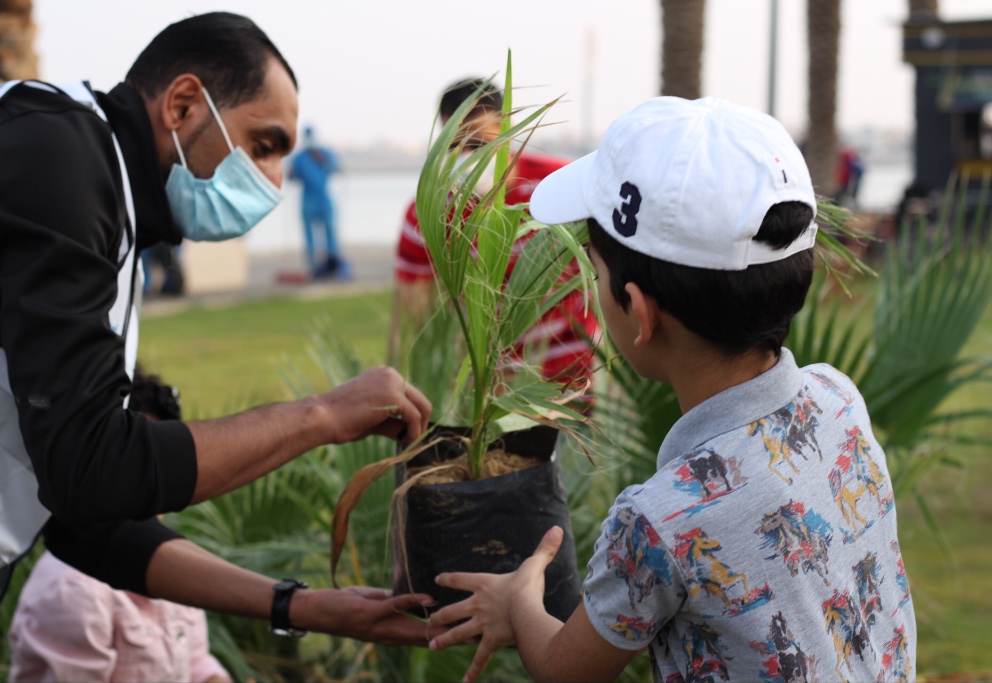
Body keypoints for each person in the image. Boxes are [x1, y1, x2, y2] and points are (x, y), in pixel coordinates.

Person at [426, 97, 917, 682]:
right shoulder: (838, 398)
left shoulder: (660, 521)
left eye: (594, 269)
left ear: (638, 311)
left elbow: (563, 669)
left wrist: (517, 603)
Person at [0, 12, 439, 646]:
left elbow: (82, 515)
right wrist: (322, 416)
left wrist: (302, 606)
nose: (274, 183)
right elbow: (91, 469)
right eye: (263, 145)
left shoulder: (114, 212)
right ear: (182, 105)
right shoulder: (60, 152)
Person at [8, 370, 231, 683]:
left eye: (163, 468)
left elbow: (197, 664)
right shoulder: (74, 588)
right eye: (136, 471)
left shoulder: (175, 562)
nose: (154, 488)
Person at [390, 77, 597, 384]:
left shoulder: (559, 187)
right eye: (454, 148)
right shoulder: (425, 215)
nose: (468, 158)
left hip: (571, 366)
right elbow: (410, 319)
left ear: (507, 131)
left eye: (479, 145)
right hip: (481, 377)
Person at [288, 125, 350, 280]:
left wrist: (323, 160)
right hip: (308, 199)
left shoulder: (325, 153)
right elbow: (291, 177)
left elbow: (337, 168)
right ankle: (313, 265)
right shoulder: (300, 157)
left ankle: (332, 261)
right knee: (309, 233)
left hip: (324, 198)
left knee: (330, 230)